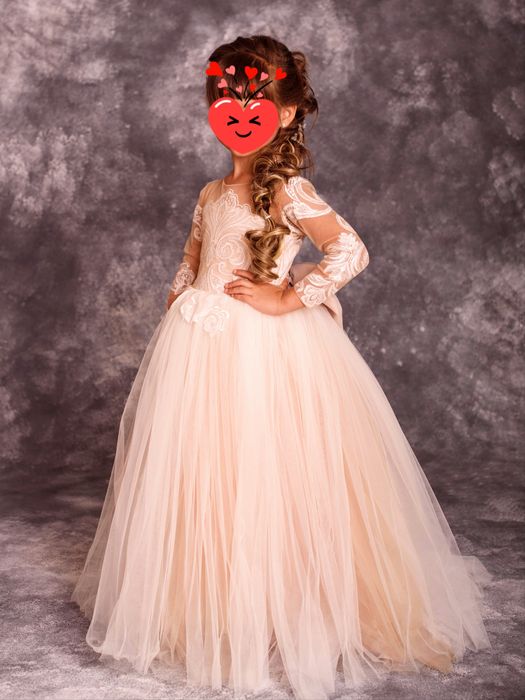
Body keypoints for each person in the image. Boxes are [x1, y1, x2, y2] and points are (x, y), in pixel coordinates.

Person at [71, 34, 492, 700]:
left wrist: (290, 296)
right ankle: (210, 595)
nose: (238, 114)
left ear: (287, 112)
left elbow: (349, 250)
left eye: (256, 102)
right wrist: (182, 296)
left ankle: (283, 592)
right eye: (225, 100)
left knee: (269, 467)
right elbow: (193, 253)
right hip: (199, 345)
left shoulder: (288, 191)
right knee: (207, 470)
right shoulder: (212, 191)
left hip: (261, 349)